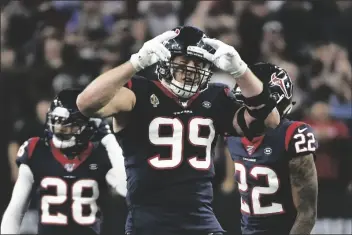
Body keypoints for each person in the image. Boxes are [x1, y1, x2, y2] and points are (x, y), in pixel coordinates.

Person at [76, 26, 281, 235]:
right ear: (166, 62)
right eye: (183, 62)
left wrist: (242, 71)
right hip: (149, 224)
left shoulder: (215, 96)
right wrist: (135, 62)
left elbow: (270, 121)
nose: (191, 69)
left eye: (197, 63)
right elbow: (85, 103)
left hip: (201, 221)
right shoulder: (140, 92)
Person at [1, 89, 127, 235]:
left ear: (85, 125)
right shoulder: (36, 150)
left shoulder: (100, 153)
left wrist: (108, 139)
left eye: (68, 124)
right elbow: (15, 209)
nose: (60, 128)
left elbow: (127, 188)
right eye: (56, 121)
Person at [226, 62, 318, 235]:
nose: (248, 111)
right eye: (245, 103)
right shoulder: (233, 133)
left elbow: (307, 214)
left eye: (256, 106)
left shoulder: (293, 134)